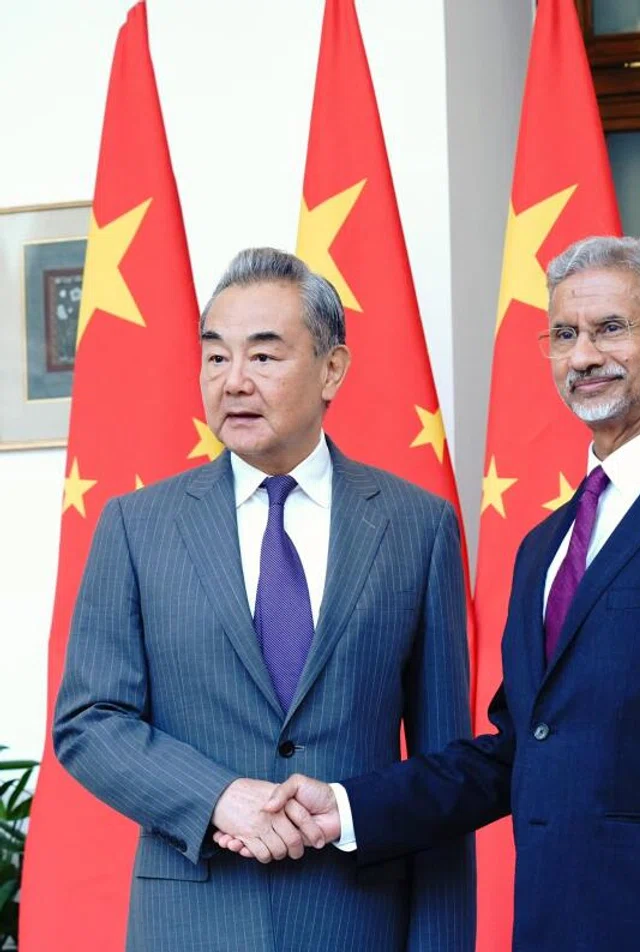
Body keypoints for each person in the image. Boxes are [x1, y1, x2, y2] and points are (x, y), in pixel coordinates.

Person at [229, 236, 640, 952]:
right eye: (564, 335)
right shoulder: (544, 547)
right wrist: (348, 806)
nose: (582, 356)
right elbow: (519, 753)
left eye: (610, 329)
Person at [53, 248, 475, 952]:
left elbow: (442, 777)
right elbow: (89, 720)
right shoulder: (137, 526)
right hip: (191, 922)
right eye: (215, 358)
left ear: (332, 369)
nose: (234, 382)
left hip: (359, 919)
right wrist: (218, 796)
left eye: (265, 357)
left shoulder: (416, 526)